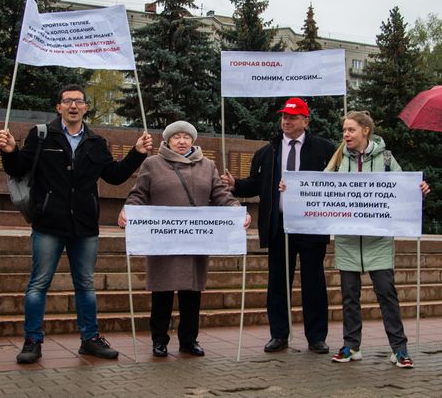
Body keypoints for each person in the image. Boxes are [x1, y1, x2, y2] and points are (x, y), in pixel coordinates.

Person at [0, 84, 153, 364]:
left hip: (84, 226)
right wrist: (10, 151)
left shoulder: (96, 142)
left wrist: (137, 153)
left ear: (85, 108)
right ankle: (33, 340)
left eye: (78, 101)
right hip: (48, 223)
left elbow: (115, 176)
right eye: (67, 101)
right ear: (58, 107)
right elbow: (18, 168)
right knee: (38, 285)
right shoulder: (42, 135)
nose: (73, 106)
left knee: (85, 285)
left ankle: (90, 339)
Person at [118, 121, 251, 357]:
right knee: (162, 292)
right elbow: (139, 194)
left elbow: (220, 194)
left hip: (195, 240)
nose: (181, 141)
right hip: (163, 239)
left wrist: (237, 210)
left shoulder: (207, 165)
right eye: (176, 137)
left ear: (193, 140)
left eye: (186, 137)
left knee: (192, 293)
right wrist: (128, 210)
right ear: (167, 141)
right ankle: (159, 340)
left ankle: (189, 340)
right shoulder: (152, 163)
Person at [221, 97, 335, 354]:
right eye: (284, 116)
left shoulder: (324, 149)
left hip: (311, 225)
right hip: (278, 225)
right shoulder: (268, 151)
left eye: (293, 117)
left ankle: (316, 337)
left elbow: (334, 184)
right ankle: (279, 334)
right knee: (278, 283)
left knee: (313, 282)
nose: (286, 121)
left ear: (306, 121)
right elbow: (256, 184)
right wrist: (235, 185)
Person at [321, 110, 429, 368]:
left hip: (378, 240)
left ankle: (399, 349)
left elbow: (404, 189)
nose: (345, 134)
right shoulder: (338, 161)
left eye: (351, 130)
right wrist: (290, 190)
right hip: (348, 240)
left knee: (386, 294)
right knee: (349, 297)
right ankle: (351, 346)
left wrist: (419, 190)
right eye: (344, 130)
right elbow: (318, 188)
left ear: (365, 131)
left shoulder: (387, 159)